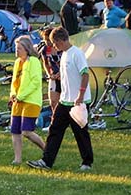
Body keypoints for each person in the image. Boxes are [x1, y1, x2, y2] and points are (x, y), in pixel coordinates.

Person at [28, 28, 93, 171]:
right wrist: (59, 76)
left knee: (81, 132)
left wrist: (81, 95)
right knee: (54, 129)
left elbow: (85, 74)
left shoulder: (77, 54)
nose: (53, 46)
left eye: (54, 43)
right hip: (65, 101)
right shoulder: (64, 55)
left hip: (77, 101)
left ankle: (87, 162)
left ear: (60, 40)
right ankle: (46, 161)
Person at [9, 36, 46, 165]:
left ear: (26, 49)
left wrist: (21, 95)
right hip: (17, 101)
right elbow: (14, 81)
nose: (17, 50)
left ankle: (47, 151)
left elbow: (35, 82)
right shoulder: (17, 63)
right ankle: (17, 159)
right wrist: (13, 94)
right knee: (15, 130)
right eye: (16, 48)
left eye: (19, 48)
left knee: (26, 131)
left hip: (31, 101)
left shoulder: (34, 61)